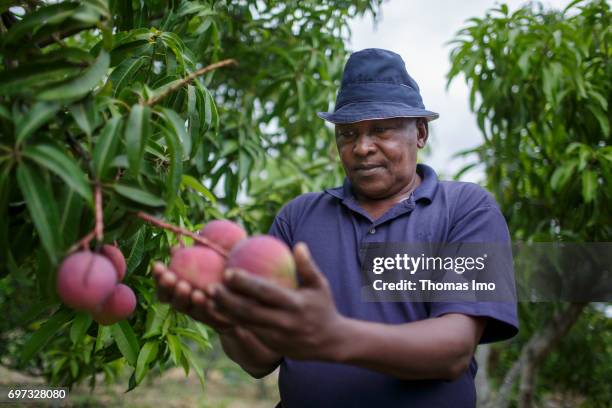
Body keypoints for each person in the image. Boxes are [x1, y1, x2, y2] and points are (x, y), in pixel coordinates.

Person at [153, 48, 518, 408]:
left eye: (381, 130)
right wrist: (228, 323)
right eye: (347, 133)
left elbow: (453, 351)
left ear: (420, 133)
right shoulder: (298, 217)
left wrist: (334, 336)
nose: (361, 148)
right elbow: (260, 360)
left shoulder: (467, 209)